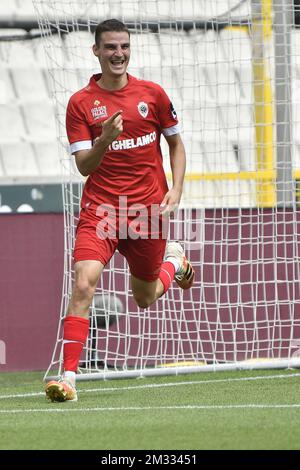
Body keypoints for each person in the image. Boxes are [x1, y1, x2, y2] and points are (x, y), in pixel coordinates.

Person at [45, 19, 194, 402]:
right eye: (110, 47)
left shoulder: (153, 95)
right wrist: (105, 141)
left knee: (144, 297)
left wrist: (176, 189)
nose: (119, 54)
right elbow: (83, 166)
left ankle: (173, 262)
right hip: (103, 211)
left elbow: (175, 145)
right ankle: (68, 379)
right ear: (96, 51)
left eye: (124, 46)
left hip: (147, 211)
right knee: (83, 282)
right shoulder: (81, 103)